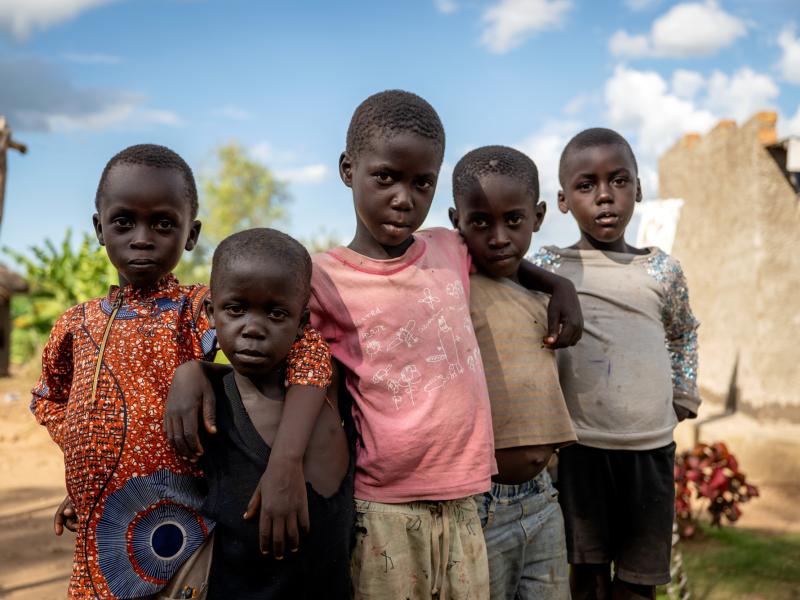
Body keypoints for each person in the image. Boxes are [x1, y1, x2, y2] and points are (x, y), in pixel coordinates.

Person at [167, 90, 583, 599]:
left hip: (467, 501)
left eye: (421, 182)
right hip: (384, 506)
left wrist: (557, 286)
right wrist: (197, 371)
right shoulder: (321, 278)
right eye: (385, 177)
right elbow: (275, 352)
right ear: (348, 169)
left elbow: (507, 260)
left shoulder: (448, 248)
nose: (403, 198)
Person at [32, 144, 331, 599]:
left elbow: (307, 350)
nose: (142, 237)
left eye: (163, 224)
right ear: (99, 228)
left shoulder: (198, 310)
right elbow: (50, 398)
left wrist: (195, 368)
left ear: (190, 235)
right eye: (124, 222)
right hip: (99, 532)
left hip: (183, 533)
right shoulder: (75, 323)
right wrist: (90, 471)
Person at [533, 128, 700, 600]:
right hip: (580, 451)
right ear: (564, 201)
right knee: (585, 580)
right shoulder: (549, 266)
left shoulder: (661, 270)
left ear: (639, 190)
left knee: (638, 584)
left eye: (619, 181)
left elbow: (683, 330)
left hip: (650, 452)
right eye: (586, 186)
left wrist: (683, 394)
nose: (604, 196)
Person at [449, 145, 576, 600]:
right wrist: (559, 282)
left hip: (544, 498)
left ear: (538, 217)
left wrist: (559, 284)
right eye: (480, 222)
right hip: (482, 505)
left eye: (514, 221)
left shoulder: (539, 298)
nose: (499, 236)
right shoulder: (455, 288)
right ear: (456, 221)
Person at [198, 228, 352, 598]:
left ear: (302, 322)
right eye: (235, 309)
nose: (253, 328)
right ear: (210, 311)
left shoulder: (327, 387)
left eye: (276, 313)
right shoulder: (208, 405)